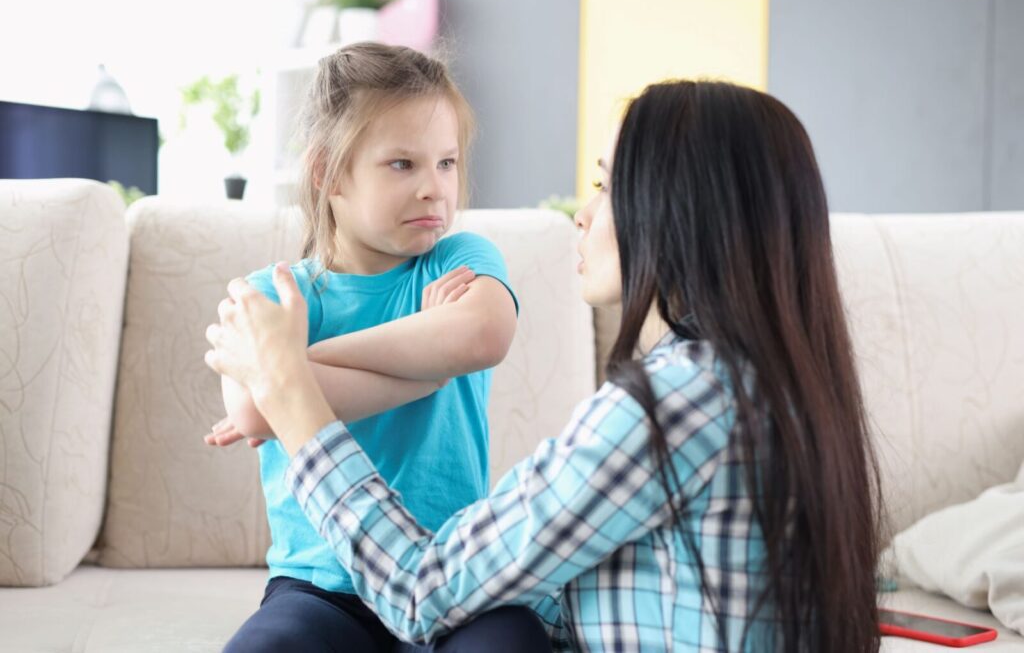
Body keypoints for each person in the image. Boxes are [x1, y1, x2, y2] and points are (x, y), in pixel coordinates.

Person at [206, 79, 882, 652]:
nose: (582, 215)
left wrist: (290, 384)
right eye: (401, 164)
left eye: (606, 185)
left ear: (682, 213)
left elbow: (421, 587)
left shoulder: (670, 402)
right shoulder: (768, 382)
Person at [208, 42, 551, 652]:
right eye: (402, 165)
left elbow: (482, 334)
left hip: (452, 576)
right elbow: (257, 412)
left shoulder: (463, 260)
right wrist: (428, 364)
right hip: (321, 587)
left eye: (446, 163)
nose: (434, 189)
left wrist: (288, 366)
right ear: (327, 172)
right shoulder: (272, 296)